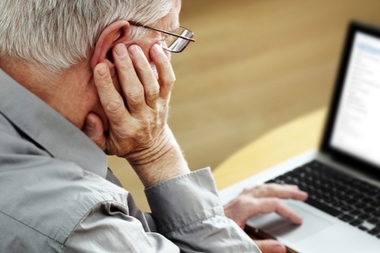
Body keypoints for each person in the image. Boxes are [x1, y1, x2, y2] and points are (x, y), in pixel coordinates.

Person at [0, 0, 308, 252]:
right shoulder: (81, 227)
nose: (167, 59)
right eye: (165, 38)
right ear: (114, 49)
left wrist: (184, 229)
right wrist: (156, 150)